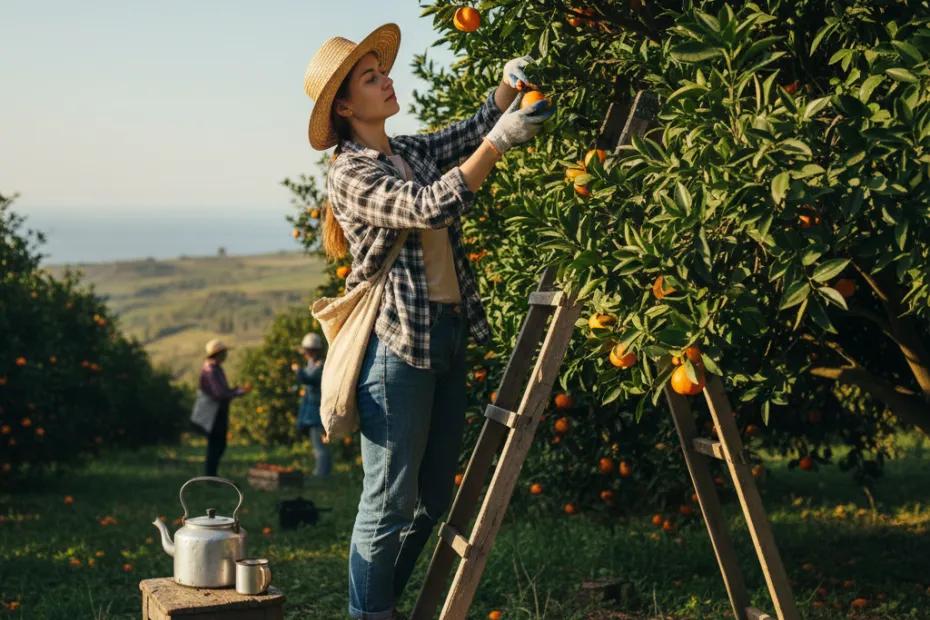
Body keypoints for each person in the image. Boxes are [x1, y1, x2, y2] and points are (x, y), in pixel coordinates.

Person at [302, 23, 553, 619]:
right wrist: (500, 142)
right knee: (387, 503)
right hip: (397, 348)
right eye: (371, 78)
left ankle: (381, 602)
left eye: (381, 72)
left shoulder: (409, 151)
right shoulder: (351, 172)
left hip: (447, 332)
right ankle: (371, 613)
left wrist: (505, 90)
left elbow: (467, 131)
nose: (386, 81)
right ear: (345, 107)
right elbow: (430, 205)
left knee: (433, 498)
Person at [199, 339, 251, 476]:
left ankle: (211, 474)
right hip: (214, 412)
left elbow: (223, 391)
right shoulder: (211, 370)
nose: (226, 355)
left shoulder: (216, 368)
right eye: (224, 352)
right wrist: (238, 392)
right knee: (216, 444)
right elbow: (220, 393)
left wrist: (236, 390)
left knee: (218, 444)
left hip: (217, 411)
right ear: (218, 354)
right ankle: (210, 475)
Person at [292, 332, 330, 478]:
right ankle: (322, 471)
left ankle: (321, 473)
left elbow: (309, 379)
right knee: (317, 443)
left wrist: (298, 371)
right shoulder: (312, 364)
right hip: (311, 409)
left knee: (320, 444)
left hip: (318, 410)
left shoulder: (320, 366)